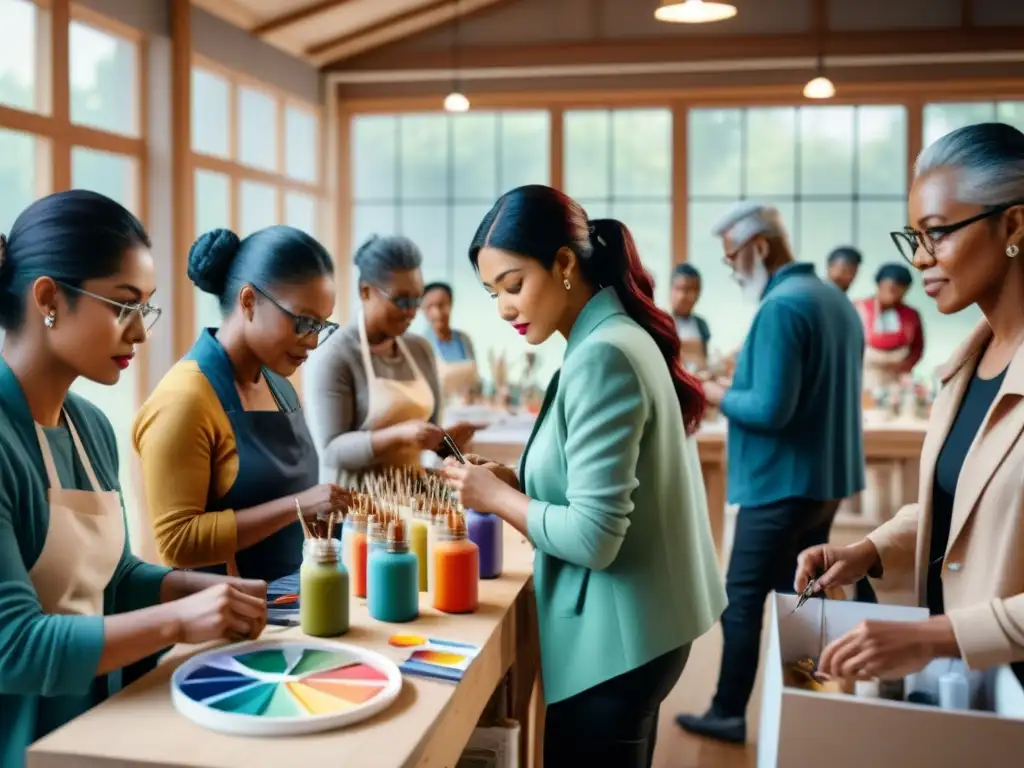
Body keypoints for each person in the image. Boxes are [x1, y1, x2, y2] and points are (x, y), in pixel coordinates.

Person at [442, 185, 726, 767]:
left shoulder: (603, 355)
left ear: (565, 263)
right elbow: (599, 482)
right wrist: (516, 483)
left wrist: (495, 497)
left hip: (619, 638)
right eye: (493, 292)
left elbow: (596, 537)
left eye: (514, 285)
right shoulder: (609, 336)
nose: (504, 308)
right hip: (642, 626)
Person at [0, 191, 268, 766]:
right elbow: (12, 646)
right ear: (48, 298)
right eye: (123, 305)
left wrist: (191, 588)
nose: (140, 334)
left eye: (146, 308)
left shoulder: (90, 426)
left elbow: (110, 579)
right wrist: (178, 618)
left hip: (98, 729)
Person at [796, 122, 1024, 690]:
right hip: (969, 690)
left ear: (1015, 225)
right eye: (914, 237)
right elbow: (970, 499)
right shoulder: (968, 367)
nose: (920, 259)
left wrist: (935, 636)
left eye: (938, 233)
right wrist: (870, 550)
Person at [676, 201, 872, 745]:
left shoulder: (781, 306)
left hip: (779, 483)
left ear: (759, 247)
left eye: (733, 257)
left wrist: (710, 390)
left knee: (740, 598)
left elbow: (769, 410)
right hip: (826, 480)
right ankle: (808, 703)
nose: (734, 269)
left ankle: (727, 711)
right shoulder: (834, 300)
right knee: (802, 595)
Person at [133, 226, 348, 582]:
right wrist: (300, 506)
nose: (312, 341)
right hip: (231, 617)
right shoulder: (185, 398)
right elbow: (177, 542)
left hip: (296, 597)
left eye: (321, 326)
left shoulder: (279, 384)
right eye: (303, 322)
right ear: (248, 301)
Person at [304, 235, 478, 484]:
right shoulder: (335, 356)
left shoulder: (420, 350)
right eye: (402, 300)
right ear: (365, 291)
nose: (412, 312)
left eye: (417, 300)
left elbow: (427, 436)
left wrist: (445, 442)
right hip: (355, 509)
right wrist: (399, 436)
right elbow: (332, 451)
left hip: (412, 498)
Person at [854, 262, 925, 390]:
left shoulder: (911, 315)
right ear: (878, 285)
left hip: (897, 380)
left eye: (899, 290)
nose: (893, 294)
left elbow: (917, 348)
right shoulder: (859, 310)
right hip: (863, 377)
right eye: (889, 289)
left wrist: (905, 367)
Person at [420, 281, 480, 400]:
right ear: (423, 310)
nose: (437, 312)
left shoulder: (464, 339)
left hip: (469, 408)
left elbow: (476, 379)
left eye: (442, 305)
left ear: (451, 304)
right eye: (430, 306)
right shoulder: (421, 345)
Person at [669, 263, 712, 369]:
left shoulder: (701, 325)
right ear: (672, 290)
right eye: (681, 289)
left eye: (694, 290)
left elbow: (704, 360)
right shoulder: (661, 323)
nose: (683, 296)